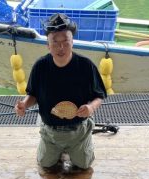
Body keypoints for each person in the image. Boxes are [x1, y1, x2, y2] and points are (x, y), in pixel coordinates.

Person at [15, 13, 107, 171]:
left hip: (78, 130)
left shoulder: (86, 66)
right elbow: (33, 94)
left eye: (66, 41)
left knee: (84, 165)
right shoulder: (40, 66)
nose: (61, 47)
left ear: (73, 42)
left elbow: (99, 96)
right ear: (47, 44)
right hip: (50, 131)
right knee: (45, 163)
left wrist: (91, 108)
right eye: (55, 42)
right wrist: (24, 104)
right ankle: (54, 149)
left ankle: (82, 144)